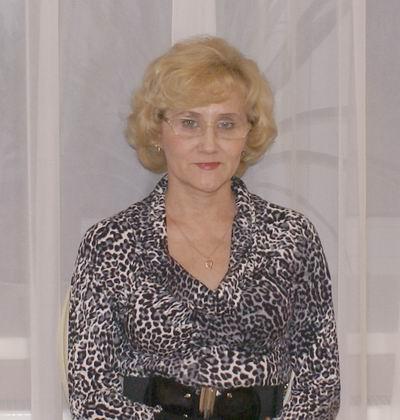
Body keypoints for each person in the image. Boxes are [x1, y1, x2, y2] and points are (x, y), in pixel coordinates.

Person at [68, 36, 340, 419]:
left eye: (226, 124)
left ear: (248, 134)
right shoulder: (111, 243)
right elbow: (91, 394)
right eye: (189, 123)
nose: (209, 144)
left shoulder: (291, 238)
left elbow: (321, 384)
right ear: (157, 131)